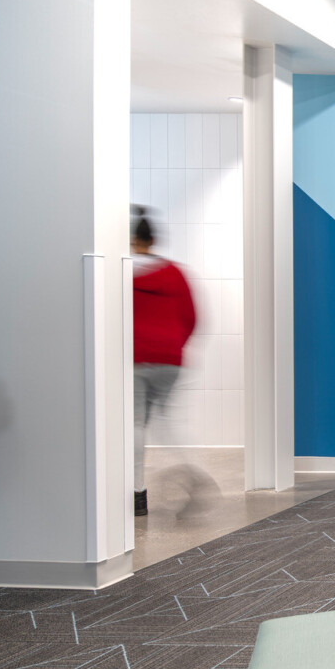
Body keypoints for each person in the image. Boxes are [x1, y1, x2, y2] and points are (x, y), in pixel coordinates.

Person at [131, 209, 197, 516]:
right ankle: (187, 469)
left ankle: (137, 493)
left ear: (131, 240)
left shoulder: (120, 275)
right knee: (165, 420)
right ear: (154, 239)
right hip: (171, 359)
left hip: (135, 359)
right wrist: (173, 347)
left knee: (135, 424)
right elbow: (191, 317)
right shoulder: (174, 272)